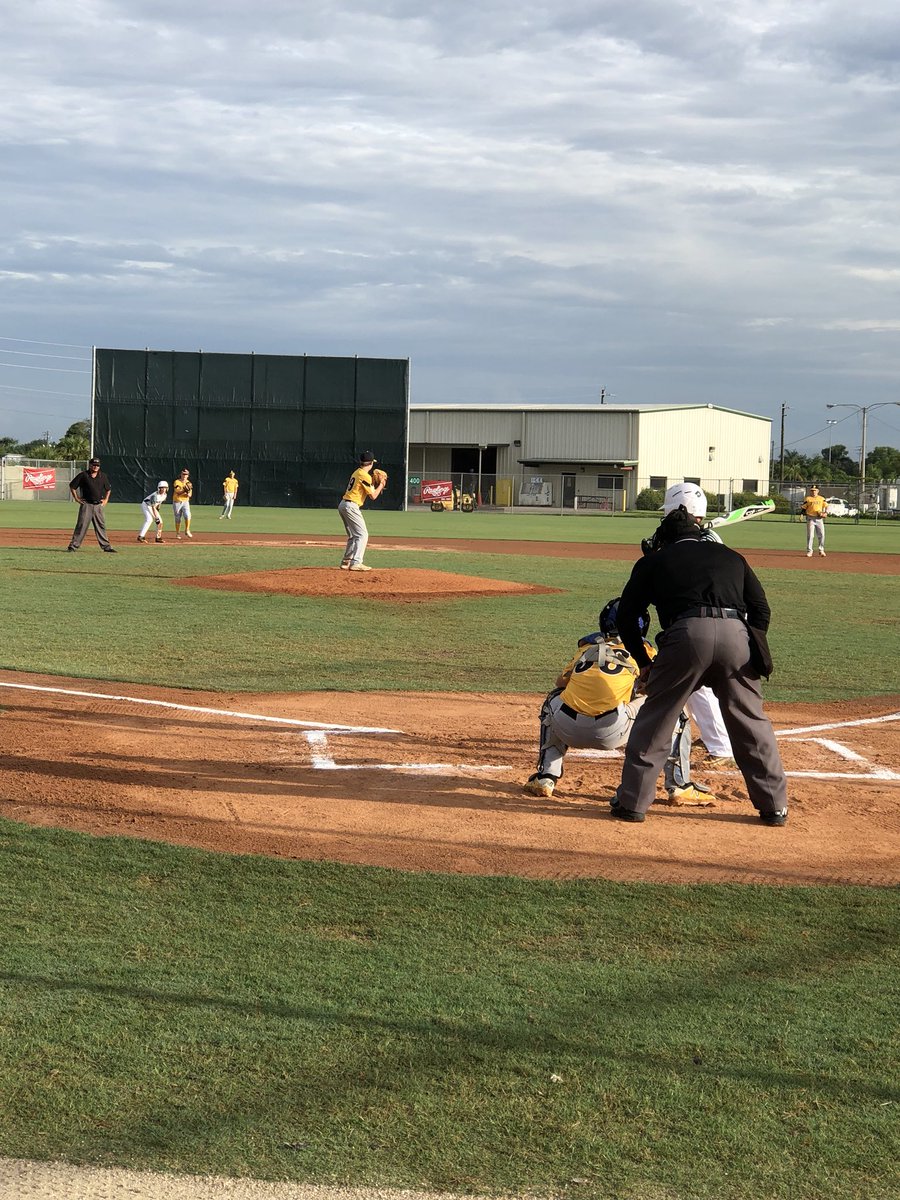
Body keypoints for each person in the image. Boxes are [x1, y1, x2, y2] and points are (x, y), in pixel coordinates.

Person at [610, 506, 788, 826]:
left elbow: (626, 617)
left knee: (658, 718)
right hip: (737, 637)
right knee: (750, 721)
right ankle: (774, 807)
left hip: (686, 635)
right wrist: (753, 643)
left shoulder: (654, 560)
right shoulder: (732, 557)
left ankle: (632, 804)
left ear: (665, 538)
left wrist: (645, 662)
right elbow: (761, 609)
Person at [524, 599, 715, 806]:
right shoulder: (645, 650)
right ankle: (679, 786)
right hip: (612, 730)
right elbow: (656, 687)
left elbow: (561, 682)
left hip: (567, 727)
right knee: (673, 708)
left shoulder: (586, 647)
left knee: (554, 698)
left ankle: (545, 778)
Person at [657, 483, 736, 766]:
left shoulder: (708, 541)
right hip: (724, 622)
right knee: (703, 685)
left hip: (706, 619)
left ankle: (722, 746)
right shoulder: (709, 539)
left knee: (696, 683)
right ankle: (719, 736)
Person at [338, 451, 386, 571]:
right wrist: (381, 484)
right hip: (351, 506)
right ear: (370, 464)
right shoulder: (365, 476)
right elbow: (373, 496)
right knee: (362, 534)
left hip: (343, 505)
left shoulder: (357, 472)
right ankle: (356, 562)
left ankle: (346, 561)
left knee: (353, 535)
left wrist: (373, 484)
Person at [67, 457, 116, 553]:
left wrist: (106, 500)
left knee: (101, 526)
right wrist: (76, 498)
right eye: (94, 465)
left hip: (98, 506)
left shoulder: (103, 476)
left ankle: (106, 547)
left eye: (98, 465)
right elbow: (72, 486)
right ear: (90, 465)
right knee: (81, 525)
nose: (96, 467)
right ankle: (73, 546)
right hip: (87, 505)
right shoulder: (83, 475)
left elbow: (108, 489)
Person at [801, 483, 827, 557]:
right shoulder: (808, 498)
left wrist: (825, 513)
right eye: (812, 490)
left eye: (815, 490)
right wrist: (802, 515)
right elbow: (804, 507)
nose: (813, 492)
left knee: (822, 535)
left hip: (819, 519)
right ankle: (809, 551)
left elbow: (826, 506)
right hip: (810, 518)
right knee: (810, 535)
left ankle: (821, 550)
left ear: (818, 491)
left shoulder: (822, 498)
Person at [172, 468, 193, 539]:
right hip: (177, 501)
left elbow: (190, 495)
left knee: (188, 515)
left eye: (186, 474)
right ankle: (177, 533)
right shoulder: (177, 482)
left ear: (188, 475)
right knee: (178, 518)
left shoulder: (189, 483)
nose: (184, 475)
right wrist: (185, 490)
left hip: (185, 502)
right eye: (183, 474)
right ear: (181, 475)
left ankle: (187, 530)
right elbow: (177, 492)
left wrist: (188, 493)